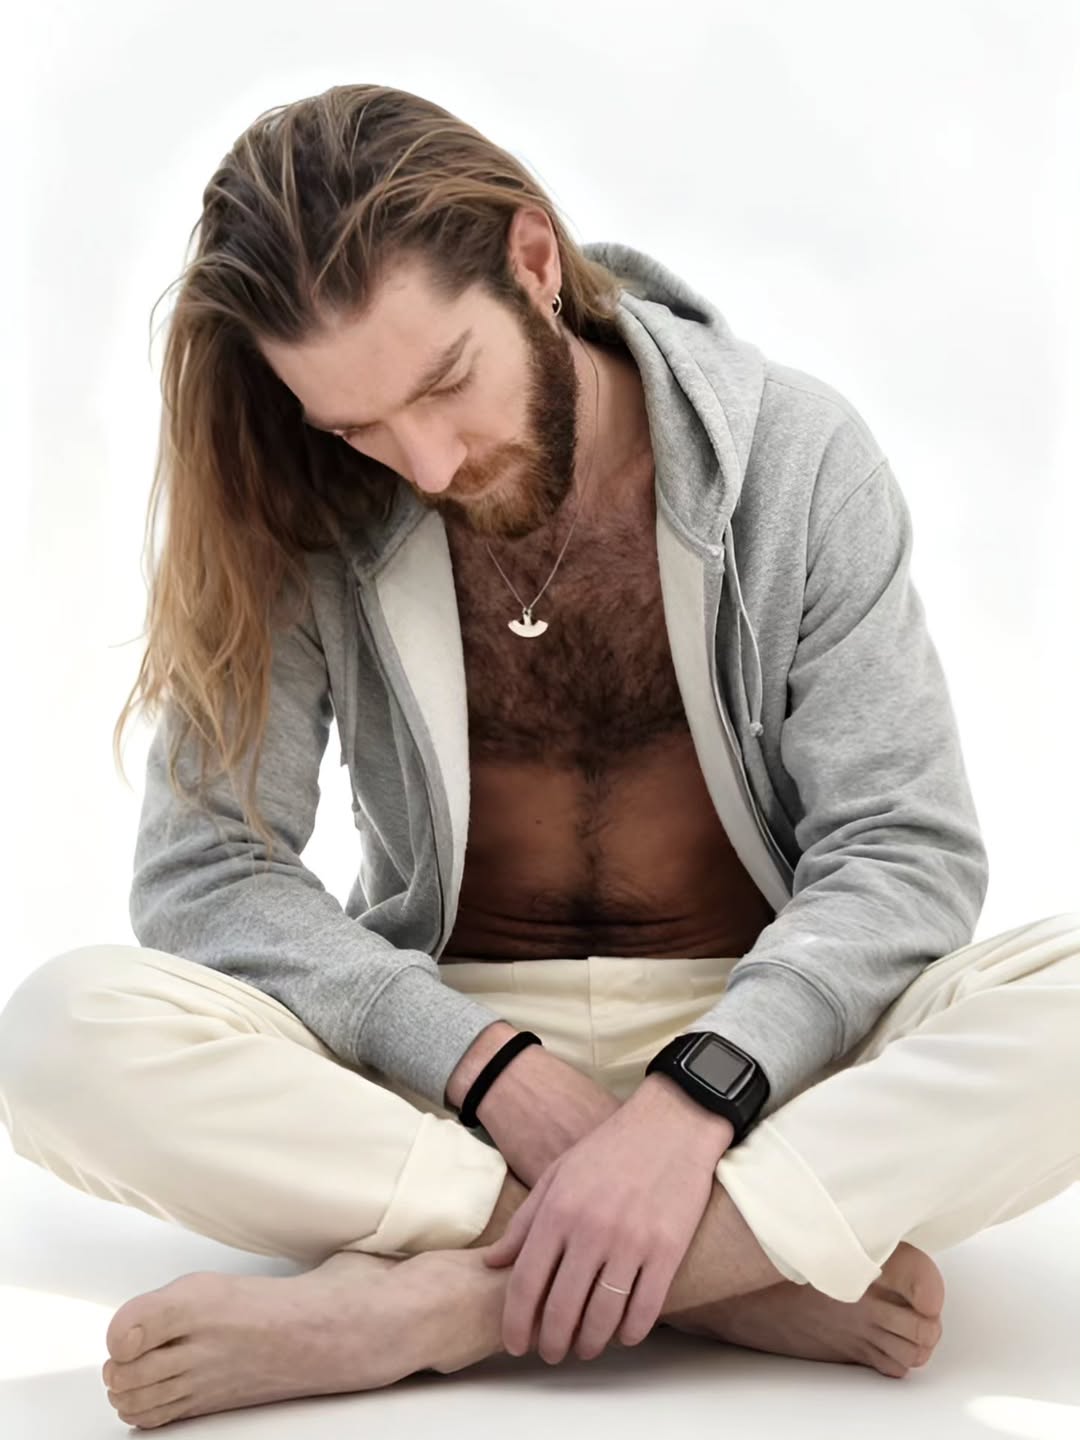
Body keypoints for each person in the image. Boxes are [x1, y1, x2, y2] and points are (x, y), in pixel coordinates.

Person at [1, 81, 1077, 1432]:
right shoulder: (306, 501)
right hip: (439, 1072)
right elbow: (209, 869)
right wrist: (488, 1069)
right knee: (59, 1036)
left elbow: (903, 849)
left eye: (445, 382)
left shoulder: (796, 458)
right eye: (356, 425)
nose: (424, 461)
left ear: (533, 261)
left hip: (774, 1054)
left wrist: (697, 1101)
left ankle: (453, 1302)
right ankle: (736, 1269)